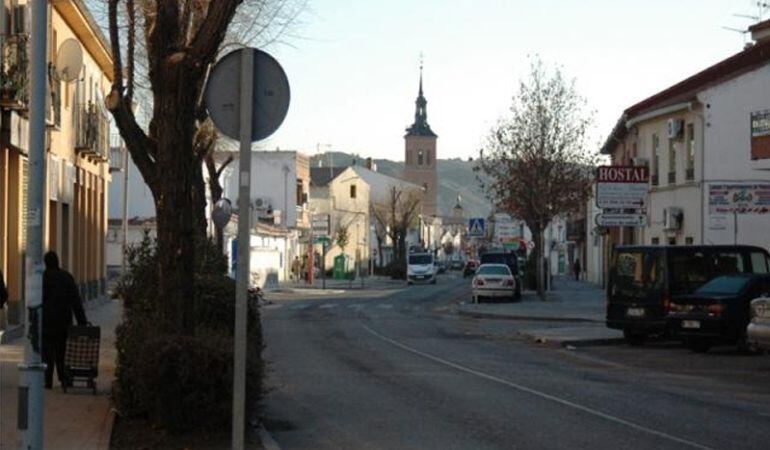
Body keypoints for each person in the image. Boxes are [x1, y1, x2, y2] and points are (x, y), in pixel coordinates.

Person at [42, 251, 88, 389]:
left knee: (47, 352)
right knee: (62, 351)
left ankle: (48, 380)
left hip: (47, 322)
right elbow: (76, 301)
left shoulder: (43, 278)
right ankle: (63, 378)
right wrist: (82, 321)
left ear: (46, 263)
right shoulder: (67, 277)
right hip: (63, 321)